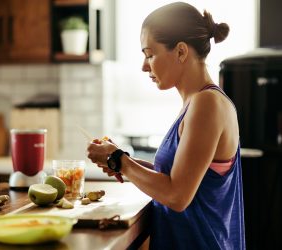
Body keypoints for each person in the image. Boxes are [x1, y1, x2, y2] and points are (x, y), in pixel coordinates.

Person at [86, 2, 245, 249]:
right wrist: (122, 160)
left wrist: (120, 161)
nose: (144, 65)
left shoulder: (207, 104)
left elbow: (177, 195)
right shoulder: (197, 103)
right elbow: (179, 176)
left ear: (181, 51)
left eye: (150, 54)